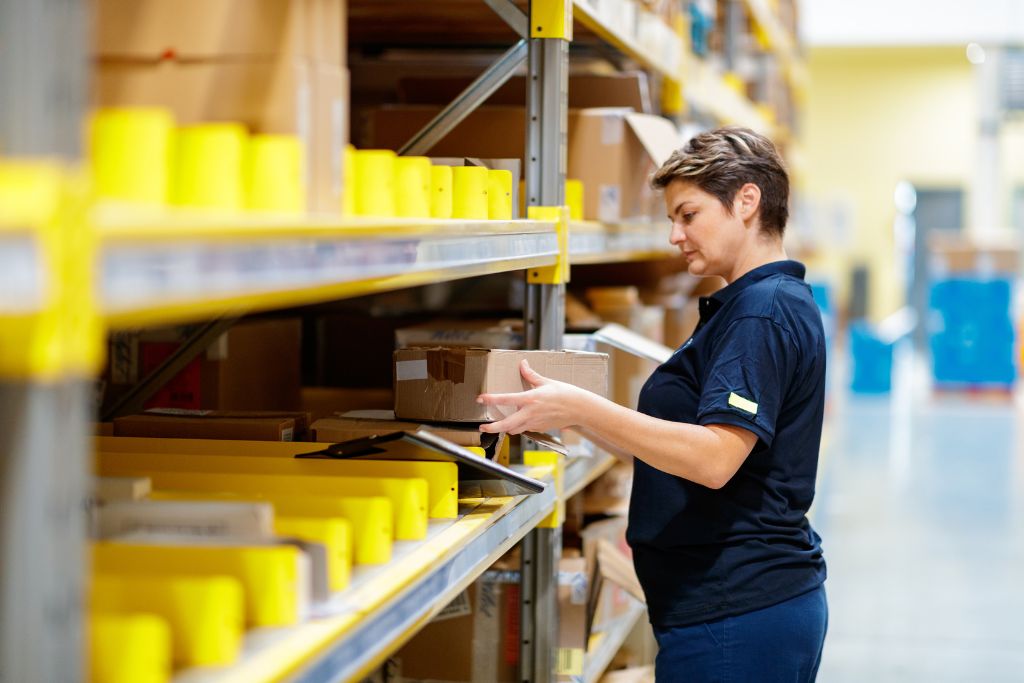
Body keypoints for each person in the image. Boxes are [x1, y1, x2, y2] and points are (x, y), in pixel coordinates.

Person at [479, 126, 828, 681]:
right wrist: (566, 412)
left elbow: (715, 459)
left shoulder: (761, 312)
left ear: (746, 200)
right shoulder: (752, 305)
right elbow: (672, 440)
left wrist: (586, 408)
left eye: (687, 215)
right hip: (724, 609)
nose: (674, 235)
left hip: (737, 614)